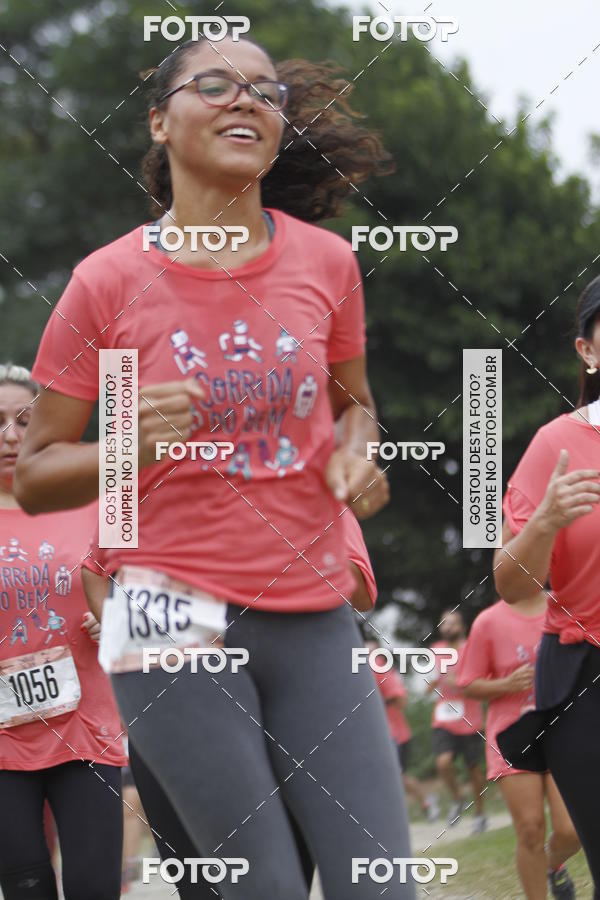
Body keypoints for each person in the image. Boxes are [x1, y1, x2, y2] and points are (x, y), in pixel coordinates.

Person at [15, 35, 414, 899]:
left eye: (265, 92)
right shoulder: (105, 282)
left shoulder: (326, 263)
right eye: (217, 85)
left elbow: (355, 406)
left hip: (311, 607)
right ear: (160, 120)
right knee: (260, 886)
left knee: (379, 883)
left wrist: (357, 453)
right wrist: (126, 444)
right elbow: (37, 471)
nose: (247, 101)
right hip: (164, 613)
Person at [81, 507, 385, 898]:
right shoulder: (138, 457)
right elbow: (95, 567)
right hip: (170, 700)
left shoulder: (296, 463)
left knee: (279, 883)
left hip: (277, 704)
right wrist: (117, 625)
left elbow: (359, 587)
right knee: (199, 886)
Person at [0, 364, 126, 900]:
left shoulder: (98, 499)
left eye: (25, 420)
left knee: (94, 887)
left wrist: (121, 609)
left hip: (87, 729)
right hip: (2, 740)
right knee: (25, 882)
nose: (10, 435)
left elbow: (149, 582)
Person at [493, 275, 600, 897]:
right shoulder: (554, 446)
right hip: (586, 676)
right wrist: (546, 521)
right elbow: (512, 584)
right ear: (588, 352)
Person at [457, 591, 580, 899]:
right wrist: (506, 684)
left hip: (562, 728)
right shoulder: (487, 621)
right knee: (529, 828)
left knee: (571, 829)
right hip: (513, 735)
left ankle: (553, 866)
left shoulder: (567, 605)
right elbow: (469, 684)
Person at [365, 639, 440, 823]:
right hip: (377, 736)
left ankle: (425, 804)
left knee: (395, 776)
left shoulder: (379, 668)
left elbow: (400, 699)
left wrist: (377, 703)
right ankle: (425, 804)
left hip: (395, 735)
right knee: (392, 776)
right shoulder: (359, 670)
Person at [426, 608, 487, 832]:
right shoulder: (436, 650)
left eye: (452, 624)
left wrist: (460, 683)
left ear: (462, 627)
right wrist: (429, 686)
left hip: (470, 717)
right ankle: (457, 798)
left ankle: (480, 813)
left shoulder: (472, 649)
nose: (447, 627)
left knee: (473, 768)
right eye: (444, 623)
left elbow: (482, 680)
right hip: (443, 716)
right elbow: (431, 680)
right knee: (443, 762)